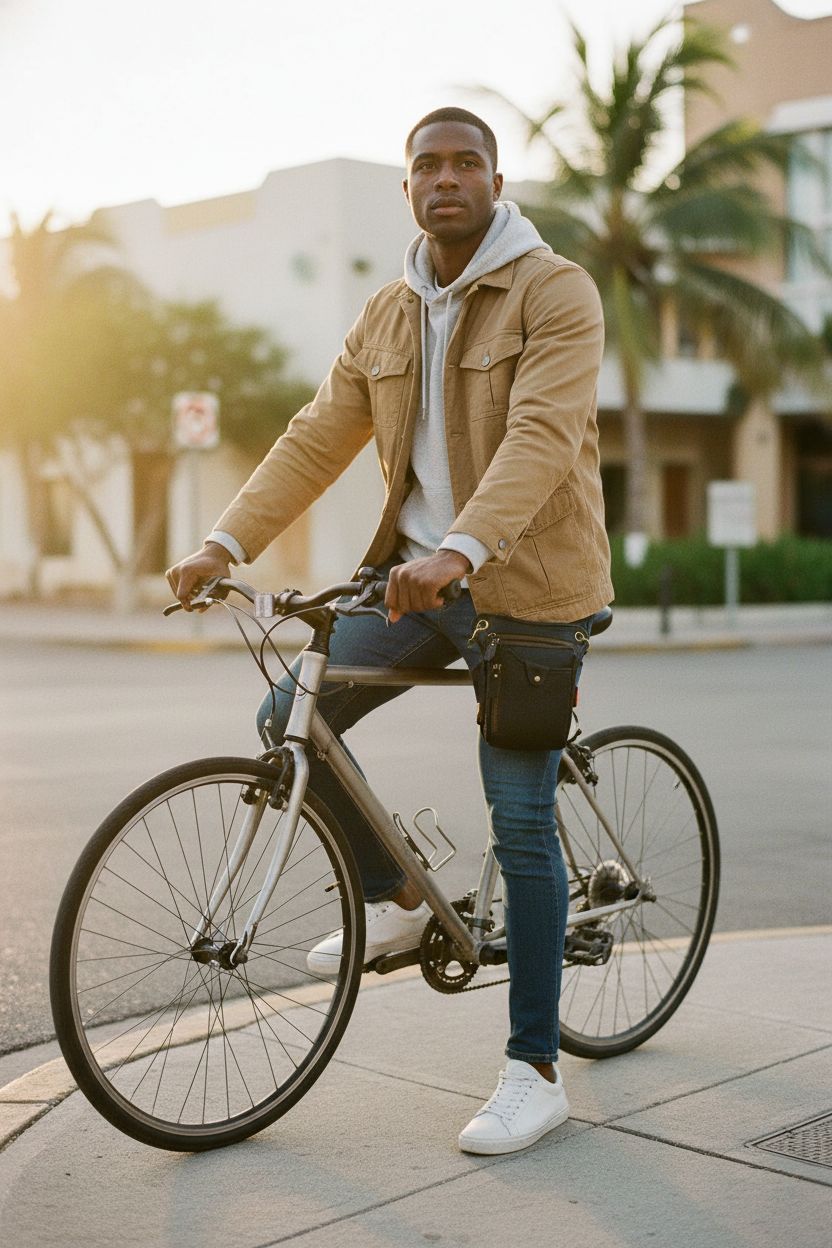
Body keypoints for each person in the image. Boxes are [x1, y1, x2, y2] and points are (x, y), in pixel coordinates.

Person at [167, 106, 612, 1156]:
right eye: (427, 165)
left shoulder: (556, 290)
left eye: (466, 163)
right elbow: (317, 434)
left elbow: (543, 436)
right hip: (414, 584)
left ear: (495, 181)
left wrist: (461, 547)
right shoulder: (388, 312)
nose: (445, 178)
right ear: (406, 188)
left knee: (518, 819)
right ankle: (401, 895)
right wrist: (224, 542)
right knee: (290, 708)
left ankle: (535, 1069)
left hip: (527, 586)